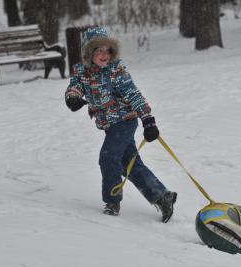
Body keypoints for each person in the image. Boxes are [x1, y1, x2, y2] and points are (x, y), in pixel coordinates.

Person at [64, 27, 177, 223]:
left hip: (125, 120)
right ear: (89, 53)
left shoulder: (116, 70)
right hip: (109, 124)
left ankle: (112, 201)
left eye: (107, 50)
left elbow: (133, 94)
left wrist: (148, 121)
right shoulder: (81, 71)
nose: (104, 55)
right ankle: (162, 196)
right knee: (130, 163)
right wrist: (72, 97)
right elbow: (75, 87)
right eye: (98, 50)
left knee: (107, 158)